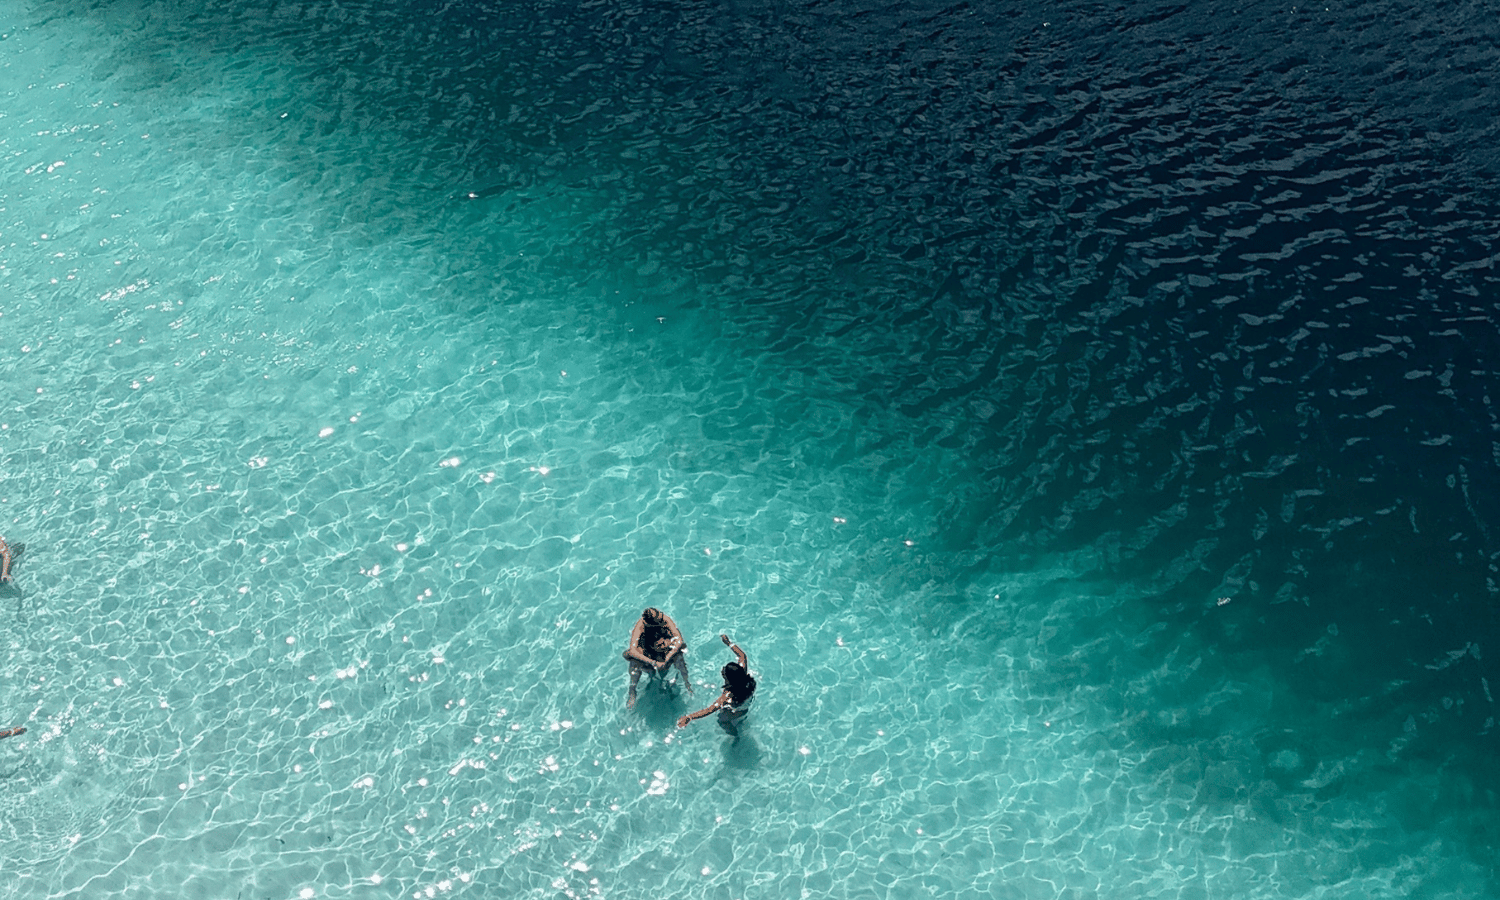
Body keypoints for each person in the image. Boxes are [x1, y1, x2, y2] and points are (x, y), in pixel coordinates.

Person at [677, 634, 756, 737]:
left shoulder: (727, 696)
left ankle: (736, 736)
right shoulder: (744, 677)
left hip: (736, 712)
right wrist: (729, 643)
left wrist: (689, 717)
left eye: (725, 671)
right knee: (738, 712)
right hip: (745, 706)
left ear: (729, 679)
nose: (723, 669)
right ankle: (741, 722)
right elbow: (742, 656)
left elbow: (709, 710)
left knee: (722, 720)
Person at [623, 607, 692, 709]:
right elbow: (633, 651)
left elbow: (679, 641)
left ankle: (687, 683)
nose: (661, 620)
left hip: (664, 653)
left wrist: (666, 658)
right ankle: (632, 691)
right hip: (649, 654)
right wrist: (654, 662)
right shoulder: (640, 626)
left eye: (660, 617)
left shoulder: (664, 619)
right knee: (633, 660)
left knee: (679, 653)